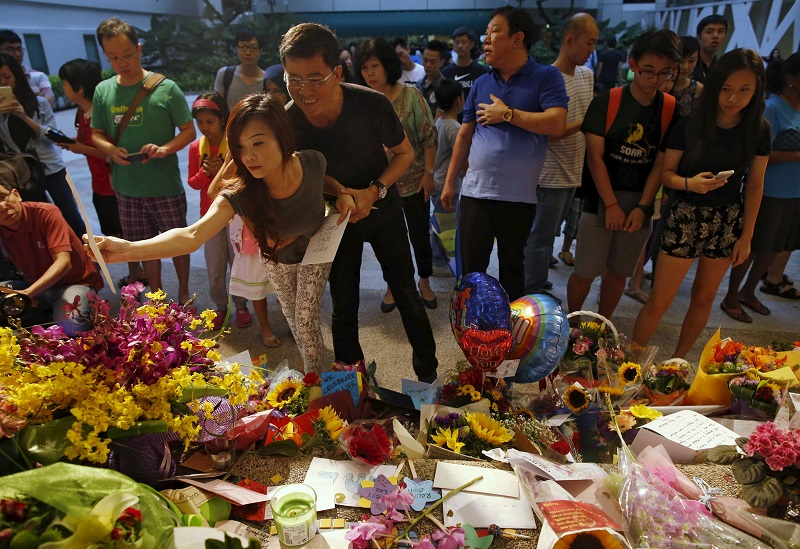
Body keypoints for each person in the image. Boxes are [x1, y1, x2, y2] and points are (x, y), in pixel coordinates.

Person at [88, 93, 339, 374]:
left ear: (283, 136)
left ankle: (313, 382)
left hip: (317, 248)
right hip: (276, 256)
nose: (250, 156)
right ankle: (310, 374)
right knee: (294, 318)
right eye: (241, 147)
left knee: (305, 322)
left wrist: (342, 192)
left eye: (258, 142)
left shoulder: (313, 162)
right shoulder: (241, 191)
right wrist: (128, 250)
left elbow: (322, 181)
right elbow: (192, 235)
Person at [280, 23, 438, 382]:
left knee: (406, 293)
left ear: (337, 72)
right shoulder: (288, 119)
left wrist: (373, 190)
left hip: (383, 207)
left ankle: (428, 377)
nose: (304, 91)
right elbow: (299, 169)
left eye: (315, 78)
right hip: (335, 219)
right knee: (344, 303)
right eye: (294, 79)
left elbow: (404, 153)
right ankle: (352, 383)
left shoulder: (370, 103)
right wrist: (340, 192)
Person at [631, 49, 770, 357]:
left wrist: (746, 237)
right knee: (659, 300)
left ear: (757, 89)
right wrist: (689, 183)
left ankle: (678, 364)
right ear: (716, 85)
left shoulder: (758, 129)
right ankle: (628, 364)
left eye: (744, 90)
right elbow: (665, 173)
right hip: (685, 215)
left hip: (728, 220)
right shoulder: (690, 122)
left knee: (704, 298)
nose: (734, 98)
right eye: (727, 89)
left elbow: (756, 183)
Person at [441, 6, 568, 301]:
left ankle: (509, 333)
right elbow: (464, 134)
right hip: (475, 194)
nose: (485, 40)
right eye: (485, 33)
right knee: (472, 271)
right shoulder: (482, 83)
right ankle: (474, 330)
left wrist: (508, 114)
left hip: (518, 198)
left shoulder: (546, 76)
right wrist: (449, 182)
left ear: (517, 38)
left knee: (512, 267)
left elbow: (557, 123)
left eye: (493, 31)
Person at [567, 30, 681, 321]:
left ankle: (603, 324)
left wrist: (643, 207)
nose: (654, 80)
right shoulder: (608, 101)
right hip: (600, 198)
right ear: (632, 64)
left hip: (640, 201)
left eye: (664, 73)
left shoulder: (669, 108)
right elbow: (595, 157)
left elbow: (660, 163)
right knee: (585, 270)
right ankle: (572, 322)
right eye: (648, 72)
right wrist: (612, 204)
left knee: (619, 271)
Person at [91, 18, 196, 303]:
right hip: (127, 188)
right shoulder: (103, 91)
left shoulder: (167, 88)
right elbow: (96, 135)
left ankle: (185, 291)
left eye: (127, 55)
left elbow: (188, 132)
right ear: (106, 55)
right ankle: (158, 297)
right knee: (143, 247)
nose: (122, 62)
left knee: (177, 244)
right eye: (114, 58)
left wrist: (163, 149)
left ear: (139, 49)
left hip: (164, 186)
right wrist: (110, 150)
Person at [356, 38, 438, 312]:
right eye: (365, 67)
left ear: (388, 66)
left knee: (419, 237)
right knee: (389, 243)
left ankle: (424, 282)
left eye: (375, 66)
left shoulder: (410, 96)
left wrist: (429, 173)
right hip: (380, 186)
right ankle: (392, 286)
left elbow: (428, 138)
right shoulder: (364, 101)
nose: (370, 73)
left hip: (414, 182)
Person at [721, 51, 800, 319]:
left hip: (795, 191)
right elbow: (764, 154)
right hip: (771, 189)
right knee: (754, 245)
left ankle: (749, 291)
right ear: (792, 78)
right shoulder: (775, 109)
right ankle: (732, 294)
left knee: (776, 246)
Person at [523, 13, 598, 296]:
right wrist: (587, 121)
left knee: (550, 235)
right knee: (540, 237)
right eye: (589, 43)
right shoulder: (547, 79)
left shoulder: (587, 75)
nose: (592, 50)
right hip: (550, 174)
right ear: (570, 39)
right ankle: (531, 293)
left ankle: (538, 278)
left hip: (574, 170)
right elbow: (550, 132)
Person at [0, 179, 103, 335]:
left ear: (16, 194)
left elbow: (63, 263)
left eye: (2, 197)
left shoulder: (46, 212)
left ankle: (52, 314)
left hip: (73, 283)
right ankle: (43, 314)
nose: (1, 207)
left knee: (71, 325)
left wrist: (28, 294)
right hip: (33, 286)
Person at [187, 92, 253, 332]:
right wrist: (206, 173)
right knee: (215, 266)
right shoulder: (196, 147)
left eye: (210, 122)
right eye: (200, 123)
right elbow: (193, 183)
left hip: (236, 216)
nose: (205, 128)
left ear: (223, 120)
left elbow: (246, 177)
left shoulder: (235, 145)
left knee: (238, 263)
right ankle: (220, 307)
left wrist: (221, 171)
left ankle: (242, 306)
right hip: (209, 216)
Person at [0, 53, 84, 237]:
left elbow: (54, 137)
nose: (3, 83)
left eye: (7, 77)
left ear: (17, 77)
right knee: (39, 221)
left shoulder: (39, 103)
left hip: (51, 168)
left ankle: (92, 262)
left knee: (70, 216)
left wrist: (23, 116)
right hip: (23, 175)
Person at [57, 59, 121, 239]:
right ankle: (135, 268)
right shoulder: (81, 112)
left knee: (123, 237)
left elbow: (112, 152)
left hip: (113, 185)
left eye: (65, 84)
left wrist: (81, 148)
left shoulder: (103, 113)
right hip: (98, 184)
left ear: (80, 89)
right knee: (110, 233)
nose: (63, 88)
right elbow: (88, 141)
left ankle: (135, 268)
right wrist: (72, 142)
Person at [430, 79, 465, 274]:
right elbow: (462, 158)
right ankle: (437, 261)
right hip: (448, 185)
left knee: (439, 220)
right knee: (445, 225)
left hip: (438, 181)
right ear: (459, 100)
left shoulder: (440, 123)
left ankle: (436, 258)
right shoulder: (455, 128)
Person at [441, 26, 488, 122]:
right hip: (452, 123)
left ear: (472, 44)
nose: (460, 45)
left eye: (464, 42)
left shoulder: (482, 72)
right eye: (457, 42)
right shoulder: (445, 73)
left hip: (476, 123)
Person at [214, 30, 265, 111]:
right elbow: (217, 109)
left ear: (260, 51)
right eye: (243, 47)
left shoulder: (267, 80)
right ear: (236, 49)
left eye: (253, 47)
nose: (248, 52)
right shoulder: (225, 75)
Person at [0, 30, 54, 107]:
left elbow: (49, 103)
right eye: (11, 49)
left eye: (19, 49)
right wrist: (35, 98)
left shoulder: (39, 76)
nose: (17, 54)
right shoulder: (2, 80)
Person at [672, 36, 704, 116]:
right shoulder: (659, 83)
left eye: (692, 61)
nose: (685, 67)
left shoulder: (698, 89)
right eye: (681, 61)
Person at [693, 14, 728, 84]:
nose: (715, 36)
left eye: (720, 32)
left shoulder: (722, 68)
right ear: (698, 37)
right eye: (709, 32)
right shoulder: (689, 64)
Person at [417, 39, 447, 114]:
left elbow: (440, 117)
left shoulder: (444, 87)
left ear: (441, 63)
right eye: (425, 60)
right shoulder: (419, 84)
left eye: (432, 62)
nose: (428, 65)